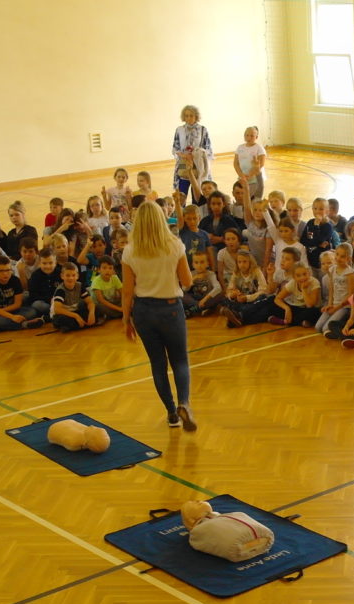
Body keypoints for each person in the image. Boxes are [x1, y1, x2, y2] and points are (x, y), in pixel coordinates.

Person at [123, 201, 196, 431]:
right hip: (171, 308)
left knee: (158, 364)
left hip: (143, 311)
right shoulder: (174, 245)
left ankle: (172, 414)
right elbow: (187, 281)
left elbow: (127, 291)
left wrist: (126, 320)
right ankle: (184, 403)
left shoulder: (130, 250)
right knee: (180, 360)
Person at [171, 105, 213, 206]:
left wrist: (195, 154)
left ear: (196, 116)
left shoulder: (203, 129)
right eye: (186, 116)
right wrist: (184, 156)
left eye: (191, 115)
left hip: (198, 163)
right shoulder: (179, 130)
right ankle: (181, 212)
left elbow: (208, 148)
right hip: (183, 162)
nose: (189, 118)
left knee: (197, 191)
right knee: (182, 189)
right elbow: (175, 147)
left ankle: (197, 211)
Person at [233, 126, 267, 200]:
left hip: (255, 180)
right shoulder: (240, 147)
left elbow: (261, 164)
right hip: (243, 178)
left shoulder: (259, 148)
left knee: (253, 199)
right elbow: (236, 164)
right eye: (247, 135)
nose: (249, 138)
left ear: (256, 137)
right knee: (243, 198)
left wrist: (250, 175)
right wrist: (241, 175)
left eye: (252, 136)